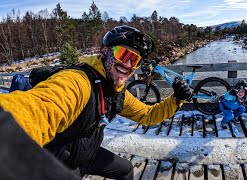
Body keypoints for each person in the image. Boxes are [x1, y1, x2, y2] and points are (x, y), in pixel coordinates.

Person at [0, 25, 192, 179]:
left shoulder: (117, 93)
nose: (127, 65)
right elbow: (38, 109)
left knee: (125, 170)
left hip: (86, 153)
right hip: (59, 160)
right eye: (123, 55)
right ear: (105, 52)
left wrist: (177, 99)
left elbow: (148, 115)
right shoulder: (78, 82)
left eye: (134, 60)